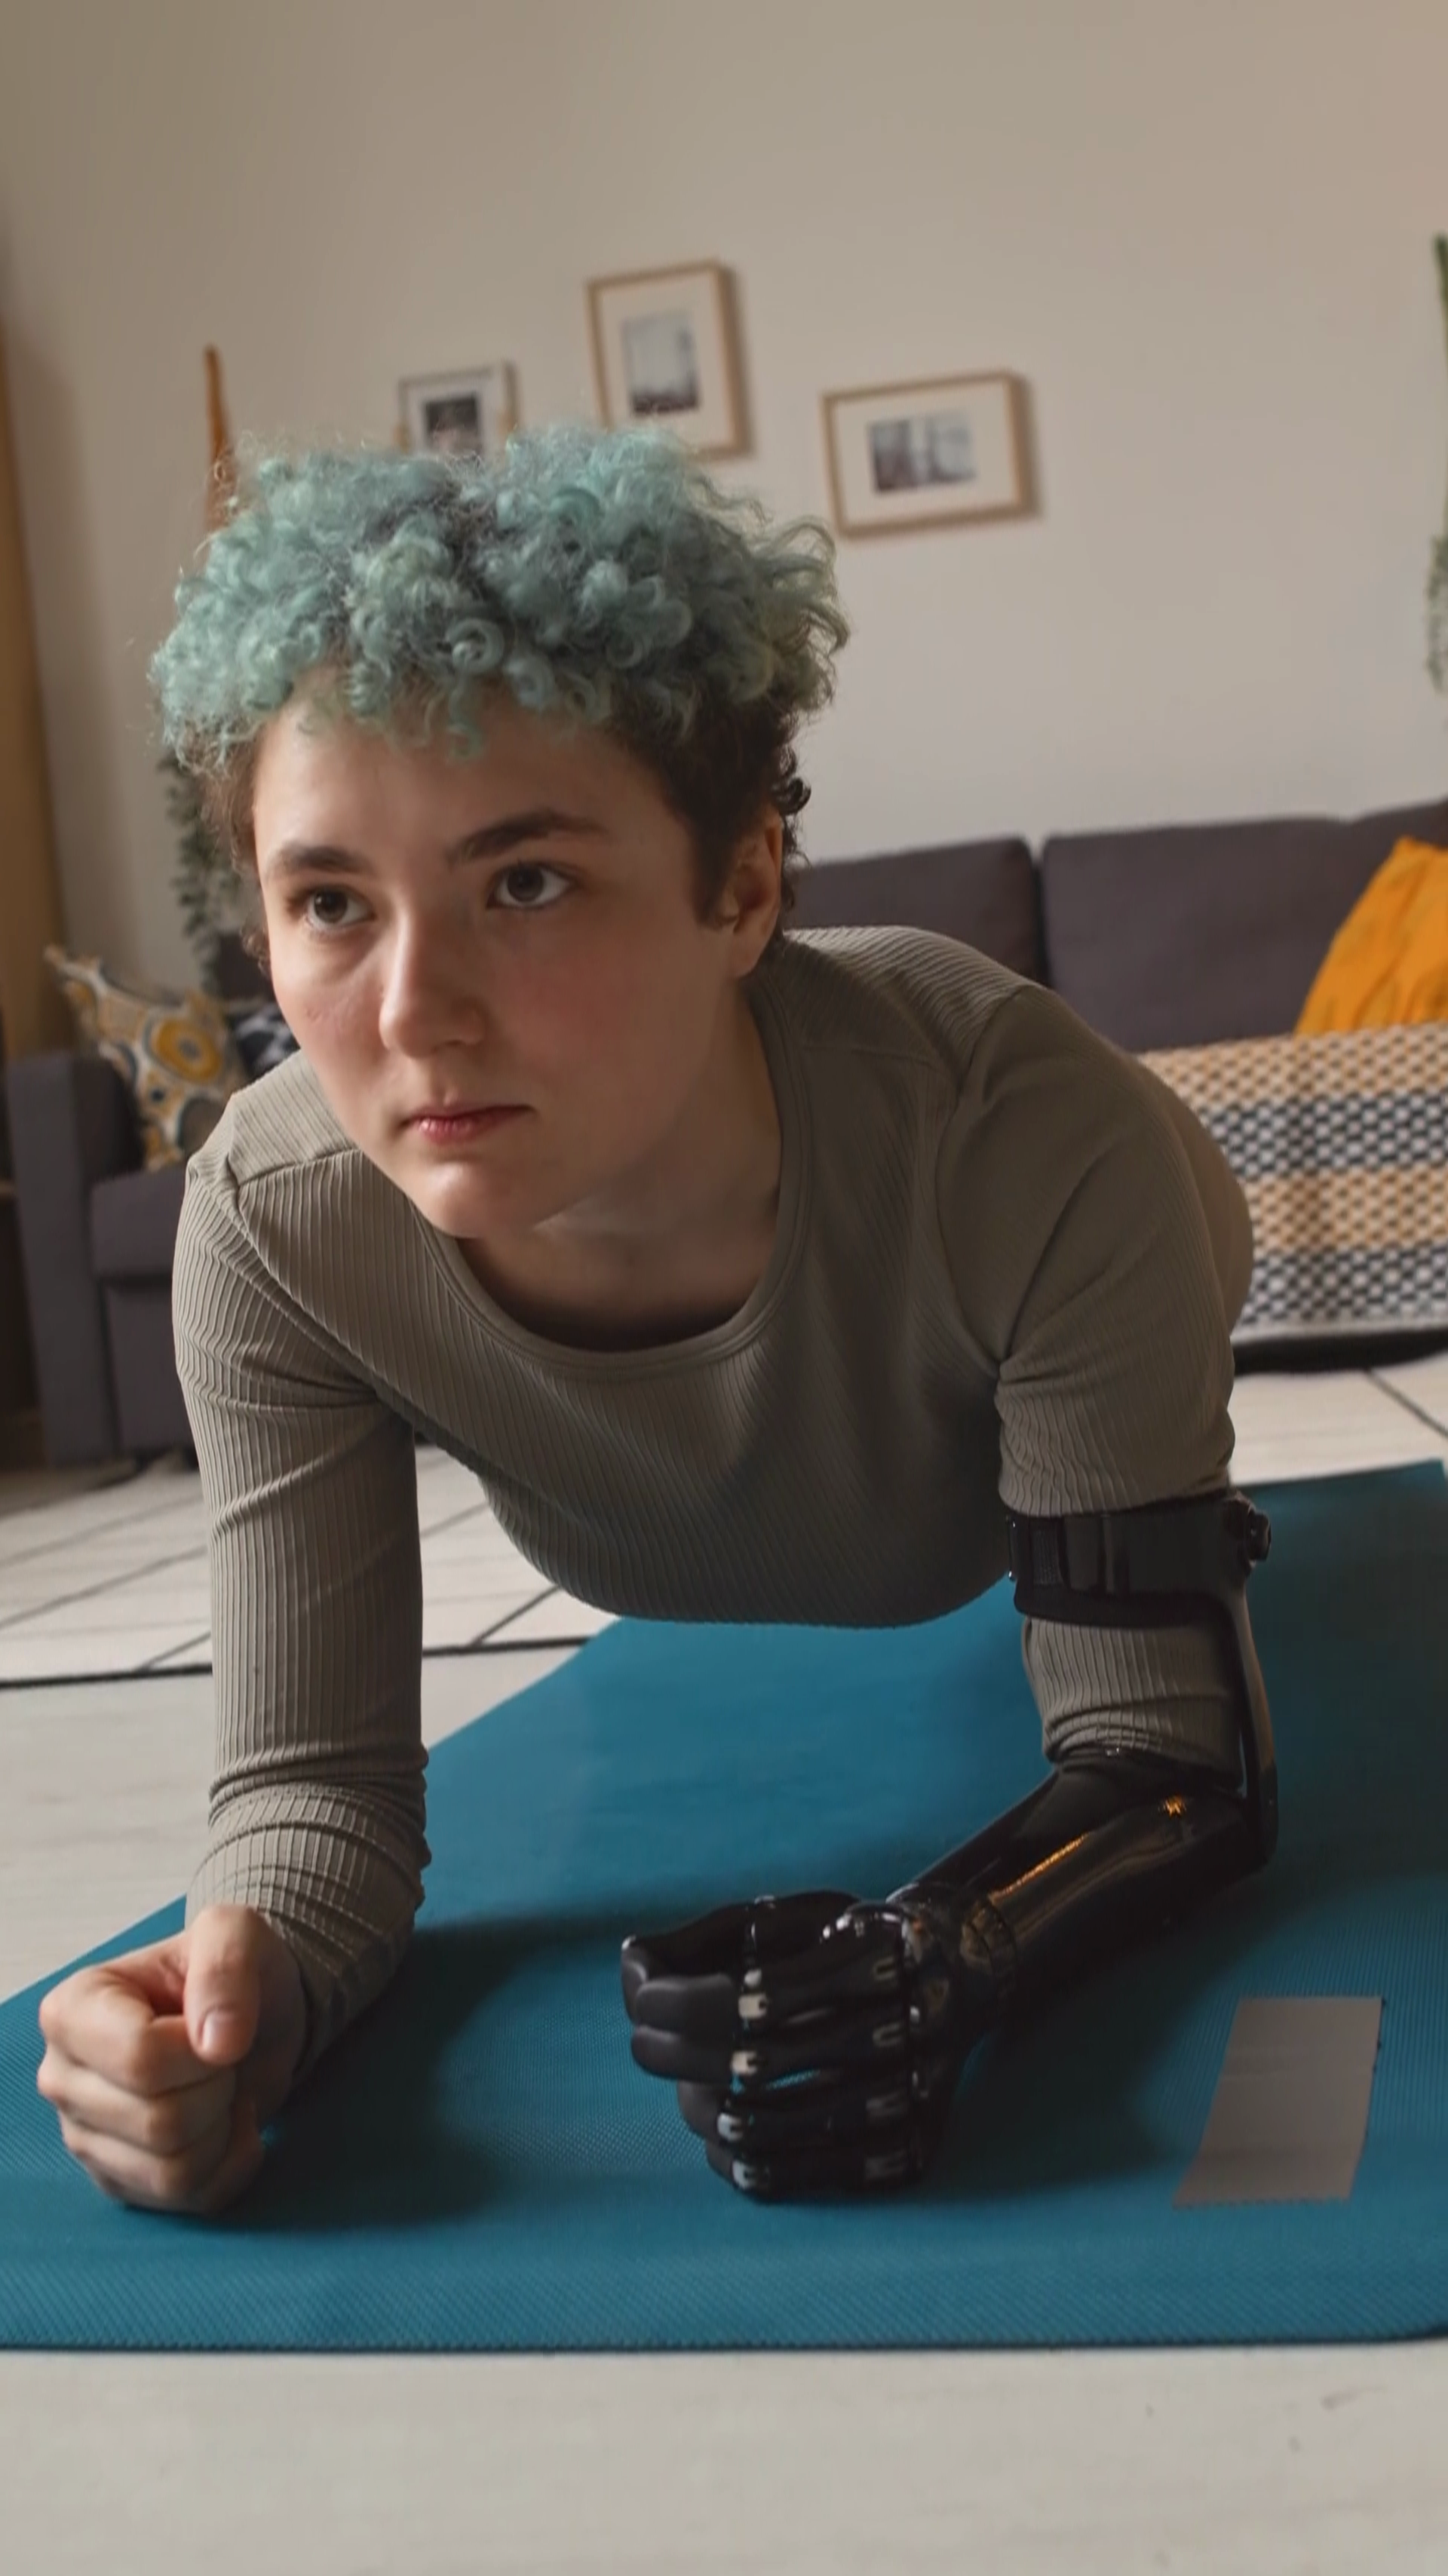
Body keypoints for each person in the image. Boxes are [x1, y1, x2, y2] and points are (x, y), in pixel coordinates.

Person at [35, 426, 1262, 2217]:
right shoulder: (281, 1227)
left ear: (743, 888)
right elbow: (313, 1800)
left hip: (1140, 1243)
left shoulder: (1029, 1148)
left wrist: (955, 1944)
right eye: (331, 903)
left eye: (524, 882)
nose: (416, 1012)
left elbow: (1166, 1751)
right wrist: (236, 1996)